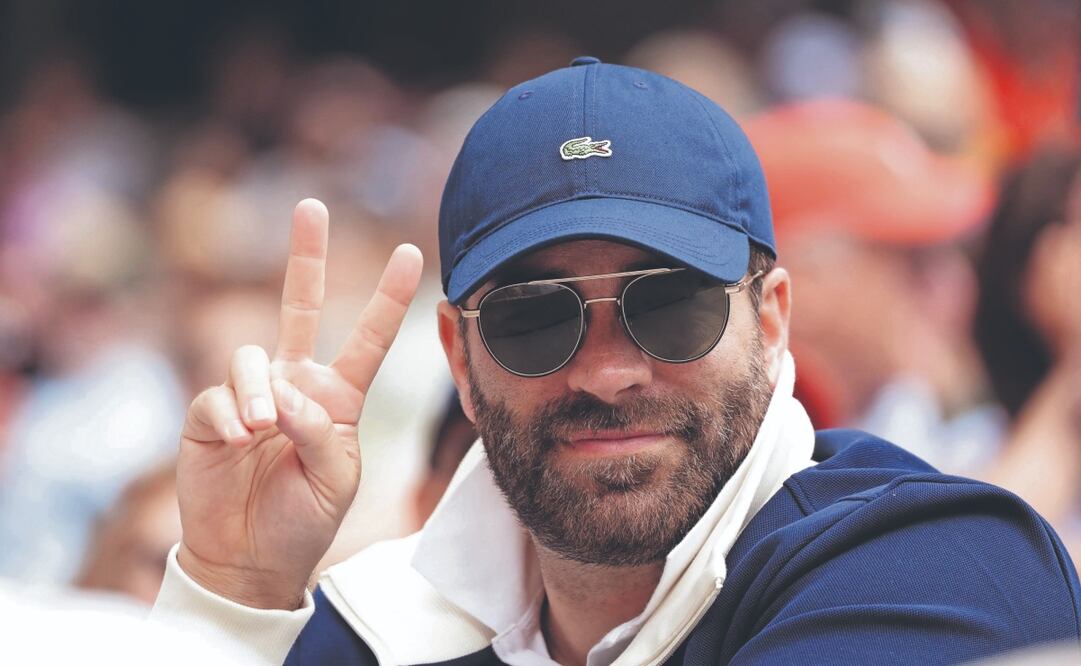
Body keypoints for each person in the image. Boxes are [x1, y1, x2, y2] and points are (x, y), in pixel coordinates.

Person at [150, 58, 1081, 665]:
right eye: (531, 319)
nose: (606, 371)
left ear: (772, 320)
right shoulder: (369, 629)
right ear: (458, 361)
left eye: (668, 305)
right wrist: (231, 597)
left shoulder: (933, 567)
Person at [743, 99, 1004, 475]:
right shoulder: (755, 436)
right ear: (806, 284)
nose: (952, 285)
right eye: (915, 260)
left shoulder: (895, 406)